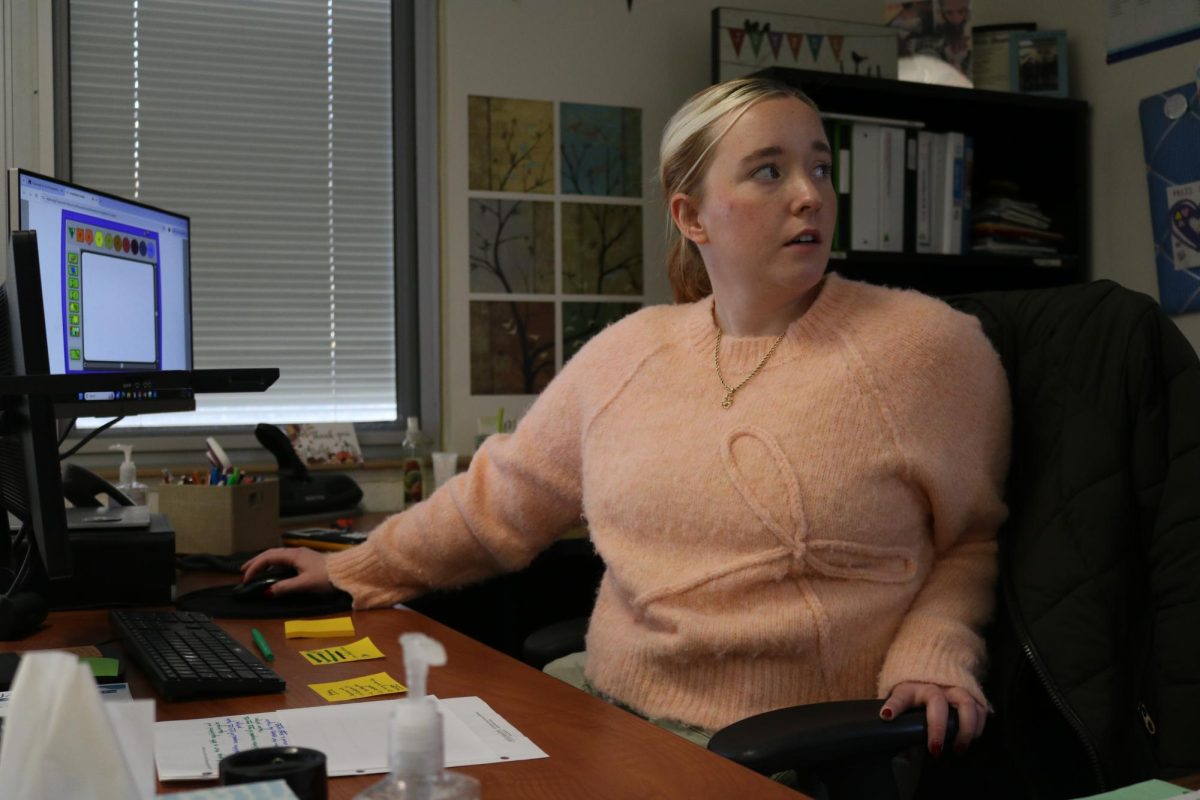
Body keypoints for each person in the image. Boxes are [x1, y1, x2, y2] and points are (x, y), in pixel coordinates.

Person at [243, 77, 1010, 762]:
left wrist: (935, 654)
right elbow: (499, 501)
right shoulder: (630, 353)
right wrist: (355, 567)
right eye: (769, 171)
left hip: (789, 747)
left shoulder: (926, 348)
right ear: (691, 215)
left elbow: (970, 540)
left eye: (819, 167)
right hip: (603, 711)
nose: (809, 194)